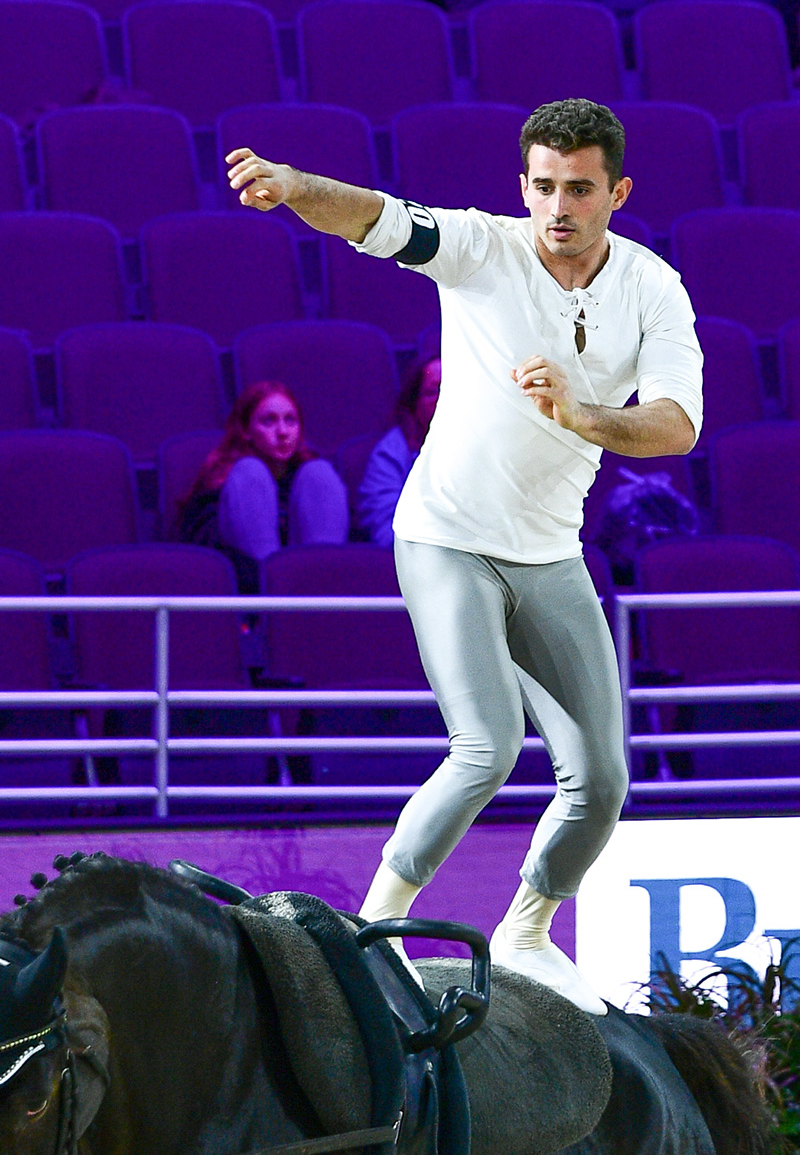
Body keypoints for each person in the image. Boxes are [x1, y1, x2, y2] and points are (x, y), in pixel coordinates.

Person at [226, 98, 703, 1015]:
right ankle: (375, 931)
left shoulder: (653, 287)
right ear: (522, 187)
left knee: (603, 780)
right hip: (444, 537)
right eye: (542, 186)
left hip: (548, 555)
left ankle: (528, 932)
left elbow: (677, 425)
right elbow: (372, 212)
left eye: (579, 188)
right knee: (488, 746)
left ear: (616, 193)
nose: (558, 205)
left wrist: (585, 415)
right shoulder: (485, 247)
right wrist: (292, 190)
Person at [179, 381, 349, 592]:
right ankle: (273, 599)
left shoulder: (308, 481)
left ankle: (324, 599)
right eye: (269, 421)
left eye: (291, 421)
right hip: (247, 593)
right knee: (251, 474)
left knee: (319, 473)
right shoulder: (220, 485)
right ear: (245, 430)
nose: (282, 432)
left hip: (314, 595)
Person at [358, 353, 441, 547]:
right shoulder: (391, 453)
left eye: (452, 388)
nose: (444, 398)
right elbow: (387, 534)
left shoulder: (482, 444)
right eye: (433, 392)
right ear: (414, 404)